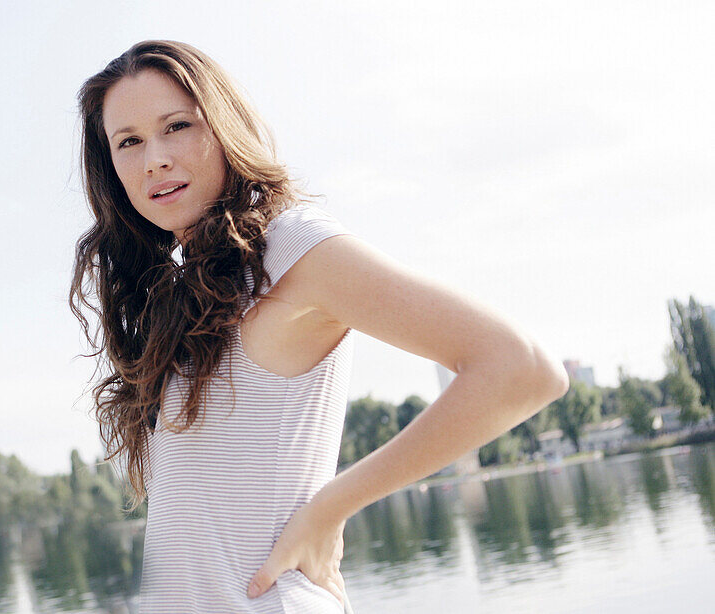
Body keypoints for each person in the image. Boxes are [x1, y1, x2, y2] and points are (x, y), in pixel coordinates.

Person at [69, 40, 570, 613]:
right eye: (127, 142)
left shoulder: (291, 247)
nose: (154, 157)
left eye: (177, 126)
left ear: (224, 128)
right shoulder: (188, 296)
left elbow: (521, 370)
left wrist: (331, 507)